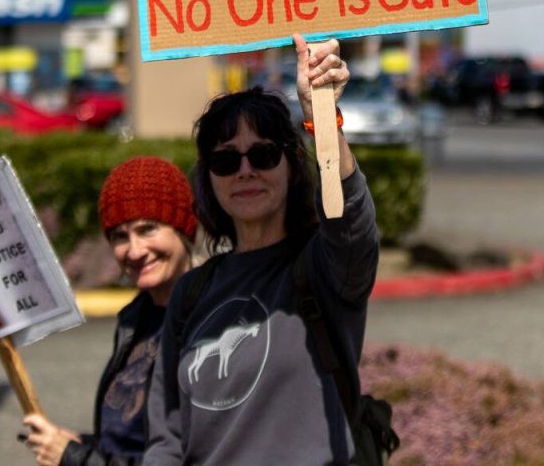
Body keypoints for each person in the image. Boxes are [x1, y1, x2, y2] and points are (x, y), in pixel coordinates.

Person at [142, 34, 380, 465]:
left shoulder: (325, 269)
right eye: (226, 161)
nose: (245, 171)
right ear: (210, 179)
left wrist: (319, 115)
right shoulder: (192, 291)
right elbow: (167, 436)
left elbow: (352, 226)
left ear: (291, 164)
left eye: (263, 155)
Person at [21, 156, 198, 466]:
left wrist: (74, 458)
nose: (134, 250)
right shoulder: (136, 316)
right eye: (119, 236)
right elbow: (130, 439)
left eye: (148, 229)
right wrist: (86, 444)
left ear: (183, 228)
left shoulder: (211, 319)